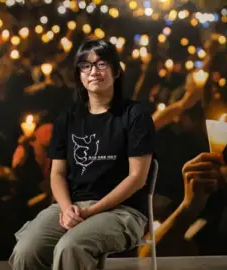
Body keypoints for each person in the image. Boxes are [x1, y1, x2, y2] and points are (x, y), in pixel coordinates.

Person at [8, 39, 156, 270]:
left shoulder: (134, 115)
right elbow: (57, 174)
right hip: (73, 206)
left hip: (123, 212)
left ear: (116, 71)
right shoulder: (67, 118)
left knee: (71, 247)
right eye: (85, 66)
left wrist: (90, 212)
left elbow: (137, 178)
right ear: (79, 74)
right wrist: (68, 209)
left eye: (101, 64)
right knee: (27, 250)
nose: (93, 71)